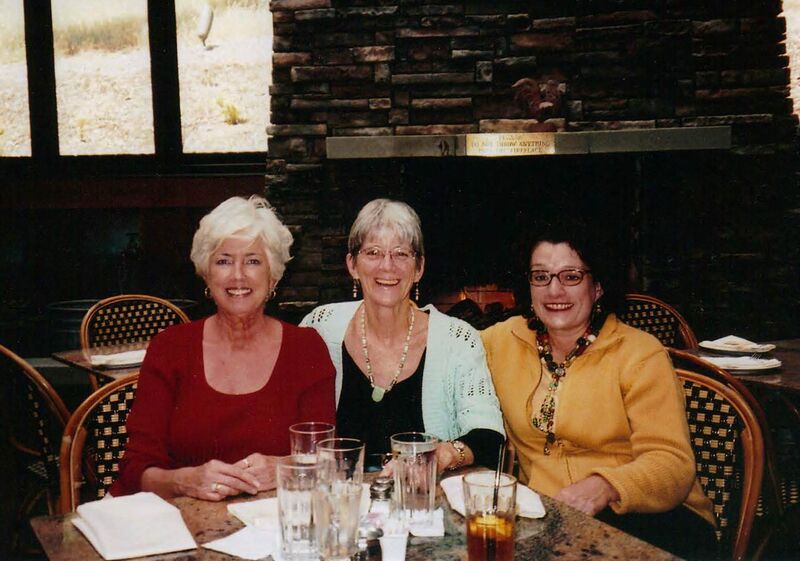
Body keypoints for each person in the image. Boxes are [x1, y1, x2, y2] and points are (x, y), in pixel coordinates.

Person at [480, 219, 717, 560]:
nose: (554, 291)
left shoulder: (639, 354)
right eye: (541, 276)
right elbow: (440, 346)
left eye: (571, 276)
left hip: (651, 518)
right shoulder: (503, 341)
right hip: (549, 520)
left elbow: (673, 465)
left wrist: (605, 486)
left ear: (598, 286)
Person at [110, 195, 335, 500]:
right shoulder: (170, 348)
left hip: (275, 525)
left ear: (273, 276)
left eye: (253, 261)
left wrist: (283, 467)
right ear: (206, 273)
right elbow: (136, 469)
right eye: (224, 260)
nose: (238, 275)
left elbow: (324, 458)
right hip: (178, 523)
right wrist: (185, 481)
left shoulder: (306, 349)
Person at [301, 198, 505, 472]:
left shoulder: (458, 340)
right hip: (341, 503)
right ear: (352, 264)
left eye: (401, 254)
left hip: (422, 504)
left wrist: (440, 455)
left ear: (418, 268)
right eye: (373, 253)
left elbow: (488, 436)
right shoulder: (319, 327)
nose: (387, 266)